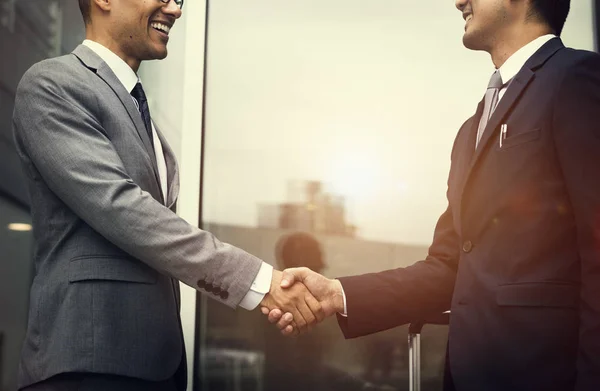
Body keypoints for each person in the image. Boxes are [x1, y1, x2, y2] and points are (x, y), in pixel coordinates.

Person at [266, 0, 600, 390]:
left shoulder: (577, 79)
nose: (458, 1)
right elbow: (448, 268)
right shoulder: (469, 132)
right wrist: (336, 294)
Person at [12, 0, 323, 390]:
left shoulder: (140, 113)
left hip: (157, 368)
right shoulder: (52, 84)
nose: (175, 9)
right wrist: (261, 284)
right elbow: (123, 209)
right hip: (89, 364)